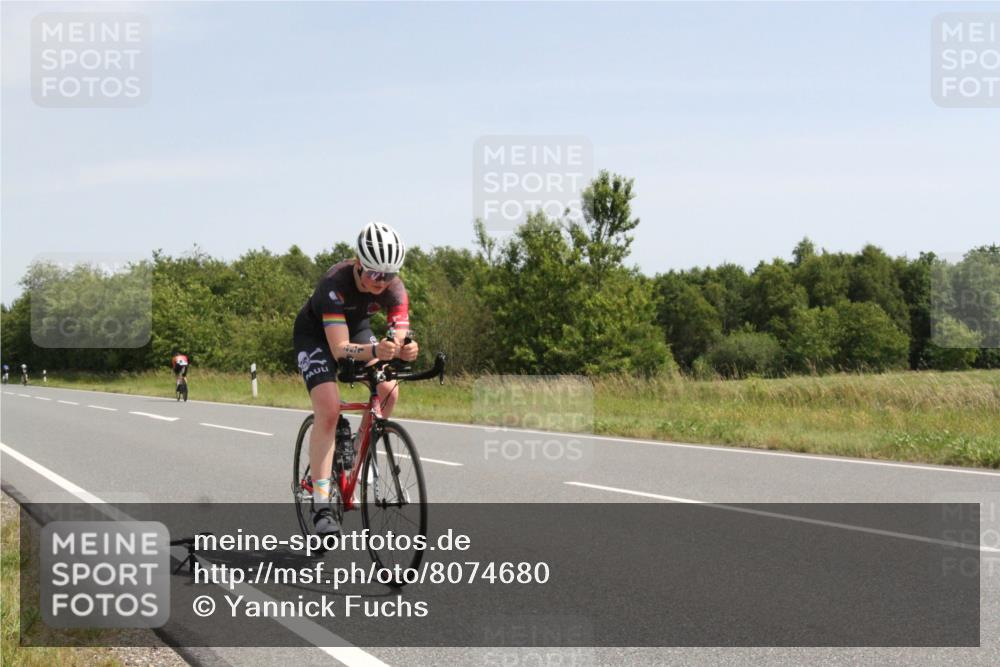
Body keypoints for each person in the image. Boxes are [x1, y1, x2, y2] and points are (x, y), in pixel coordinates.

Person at [292, 222, 418, 537]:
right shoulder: (334, 283)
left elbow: (398, 336)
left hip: (357, 328)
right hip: (317, 336)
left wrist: (404, 349)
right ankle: (321, 503)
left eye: (388, 275)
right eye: (374, 274)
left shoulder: (395, 288)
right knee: (330, 409)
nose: (381, 282)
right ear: (359, 264)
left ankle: (364, 451)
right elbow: (338, 349)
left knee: (389, 389)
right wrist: (377, 349)